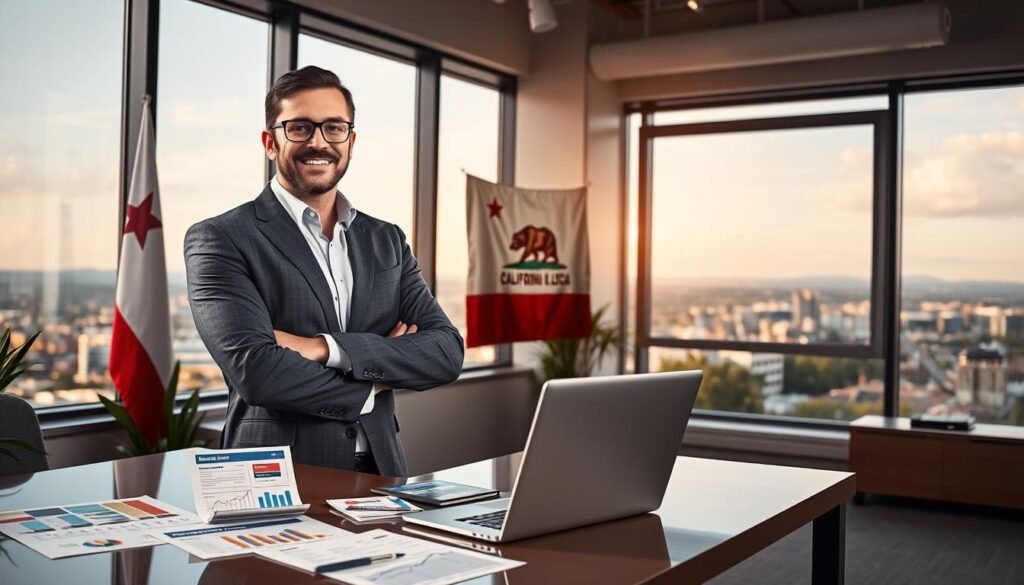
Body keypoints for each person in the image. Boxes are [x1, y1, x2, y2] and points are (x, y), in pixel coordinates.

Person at [184, 66, 464, 476]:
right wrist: (378, 378)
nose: (318, 142)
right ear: (269, 142)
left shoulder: (386, 240)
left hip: (381, 470)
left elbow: (445, 353)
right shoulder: (221, 238)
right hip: (272, 474)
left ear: (351, 141)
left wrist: (323, 348)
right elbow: (257, 372)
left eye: (334, 128)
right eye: (299, 127)